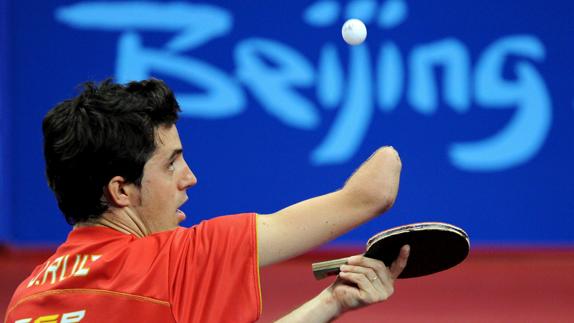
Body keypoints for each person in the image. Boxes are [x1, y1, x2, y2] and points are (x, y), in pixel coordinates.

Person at [4, 79, 409, 323]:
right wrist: (393, 130)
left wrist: (329, 303)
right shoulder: (180, 259)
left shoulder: (25, 299)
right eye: (171, 163)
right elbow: (371, 195)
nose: (189, 178)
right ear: (121, 191)